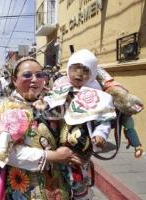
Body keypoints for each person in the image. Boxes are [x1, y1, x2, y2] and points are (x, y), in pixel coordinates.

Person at [0, 57, 84, 199]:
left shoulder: (52, 104)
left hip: (58, 185)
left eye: (39, 75)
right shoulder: (6, 109)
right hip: (24, 187)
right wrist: (54, 156)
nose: (34, 79)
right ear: (14, 80)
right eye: (27, 75)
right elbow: (6, 153)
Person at [35, 49, 117, 199]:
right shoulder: (61, 88)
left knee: (77, 178)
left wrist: (100, 134)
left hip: (81, 147)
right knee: (59, 179)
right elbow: (52, 105)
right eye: (74, 69)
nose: (79, 74)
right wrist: (44, 105)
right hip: (58, 144)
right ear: (68, 69)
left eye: (85, 70)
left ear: (92, 73)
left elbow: (103, 121)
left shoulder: (98, 96)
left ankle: (81, 194)